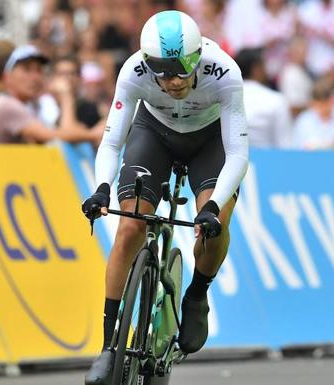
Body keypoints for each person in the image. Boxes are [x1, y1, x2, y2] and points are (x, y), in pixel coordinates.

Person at [81, 10, 248, 385]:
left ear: (195, 61)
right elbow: (112, 139)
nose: (169, 80)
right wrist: (102, 187)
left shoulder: (224, 72)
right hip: (154, 133)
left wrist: (209, 207)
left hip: (209, 140)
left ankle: (197, 294)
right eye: (160, 70)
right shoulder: (134, 71)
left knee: (215, 225)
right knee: (129, 227)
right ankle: (109, 346)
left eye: (177, 70)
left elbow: (237, 154)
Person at [235, 48, 293, 148]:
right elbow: (285, 145)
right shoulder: (277, 100)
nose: (267, 69)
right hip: (268, 161)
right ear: (256, 69)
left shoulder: (224, 97)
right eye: (264, 64)